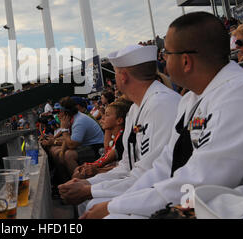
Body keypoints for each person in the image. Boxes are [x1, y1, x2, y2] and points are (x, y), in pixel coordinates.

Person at [82, 12, 243, 219]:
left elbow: (201, 180)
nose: (163, 61)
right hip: (199, 201)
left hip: (229, 206)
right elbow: (165, 166)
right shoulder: (191, 100)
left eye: (167, 54)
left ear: (186, 61)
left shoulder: (241, 94)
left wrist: (114, 206)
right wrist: (117, 203)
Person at [59, 44, 181, 214]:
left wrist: (90, 189)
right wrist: (90, 184)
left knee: (91, 205)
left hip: (165, 193)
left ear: (123, 76)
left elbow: (150, 174)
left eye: (115, 73)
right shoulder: (135, 109)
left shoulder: (162, 105)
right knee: (87, 202)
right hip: (142, 183)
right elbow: (127, 166)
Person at [72, 99, 133, 180]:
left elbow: (103, 161)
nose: (102, 117)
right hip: (118, 171)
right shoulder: (118, 135)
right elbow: (106, 149)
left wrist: (94, 169)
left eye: (107, 115)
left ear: (119, 120)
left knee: (79, 176)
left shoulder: (122, 138)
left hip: (125, 176)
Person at [50, 97, 104, 184]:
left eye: (59, 112)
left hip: (98, 147)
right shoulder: (72, 118)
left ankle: (79, 184)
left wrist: (64, 129)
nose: (58, 115)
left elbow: (72, 144)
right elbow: (68, 139)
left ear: (65, 112)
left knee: (69, 155)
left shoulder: (79, 121)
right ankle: (65, 182)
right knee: (58, 153)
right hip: (88, 145)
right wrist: (61, 153)